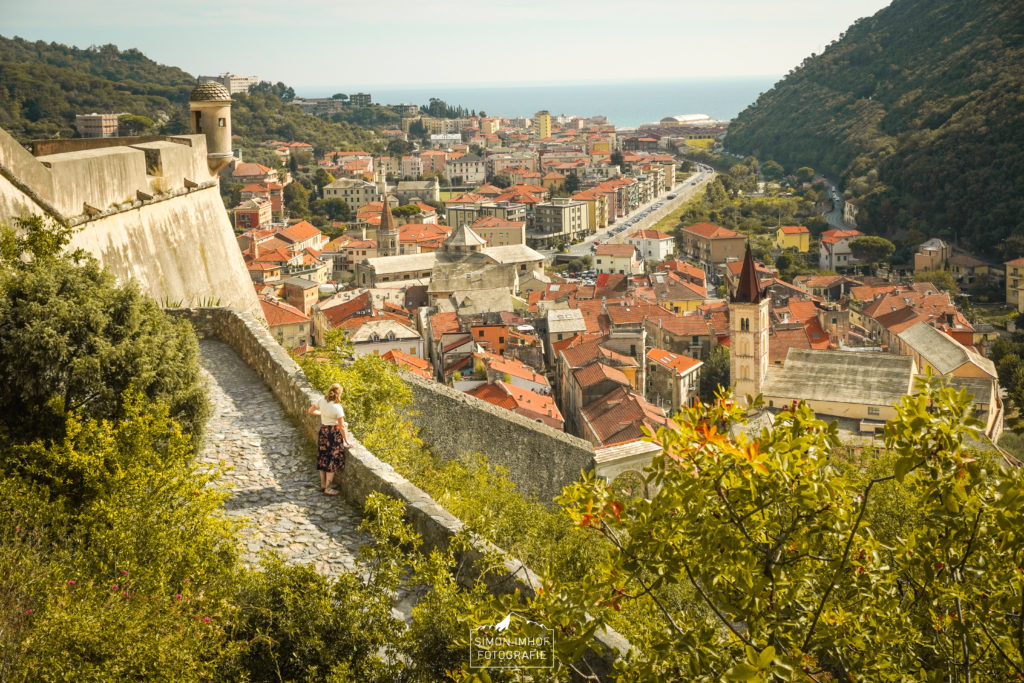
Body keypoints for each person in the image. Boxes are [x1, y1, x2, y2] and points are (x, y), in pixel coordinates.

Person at [307, 383, 352, 495]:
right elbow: (342, 426)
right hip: (333, 434)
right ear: (339, 394)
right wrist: (346, 440)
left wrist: (322, 413)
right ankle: (328, 488)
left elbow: (310, 411)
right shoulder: (337, 407)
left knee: (323, 457)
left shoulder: (321, 400)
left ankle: (323, 484)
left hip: (323, 432)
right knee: (332, 459)